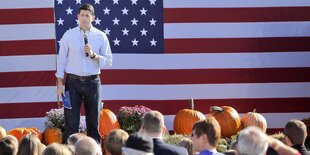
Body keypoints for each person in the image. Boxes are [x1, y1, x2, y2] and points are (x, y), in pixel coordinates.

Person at [55, 3, 112, 144]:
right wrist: (60, 83)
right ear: (77, 17)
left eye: (88, 15)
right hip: (71, 84)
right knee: (70, 124)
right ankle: (68, 152)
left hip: (93, 83)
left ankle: (94, 151)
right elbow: (61, 60)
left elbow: (108, 61)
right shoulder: (68, 35)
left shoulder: (101, 36)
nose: (84, 18)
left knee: (93, 124)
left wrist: (93, 55)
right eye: (82, 15)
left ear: (93, 17)